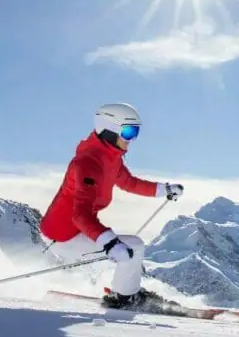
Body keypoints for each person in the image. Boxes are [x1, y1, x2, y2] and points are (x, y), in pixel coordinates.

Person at [39, 102, 185, 312]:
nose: (132, 139)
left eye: (136, 132)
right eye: (128, 131)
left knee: (134, 246)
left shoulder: (110, 158)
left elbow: (129, 182)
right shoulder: (87, 164)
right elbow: (80, 215)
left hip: (76, 230)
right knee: (131, 249)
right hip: (62, 235)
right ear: (109, 129)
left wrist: (165, 189)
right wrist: (108, 241)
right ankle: (124, 299)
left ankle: (125, 294)